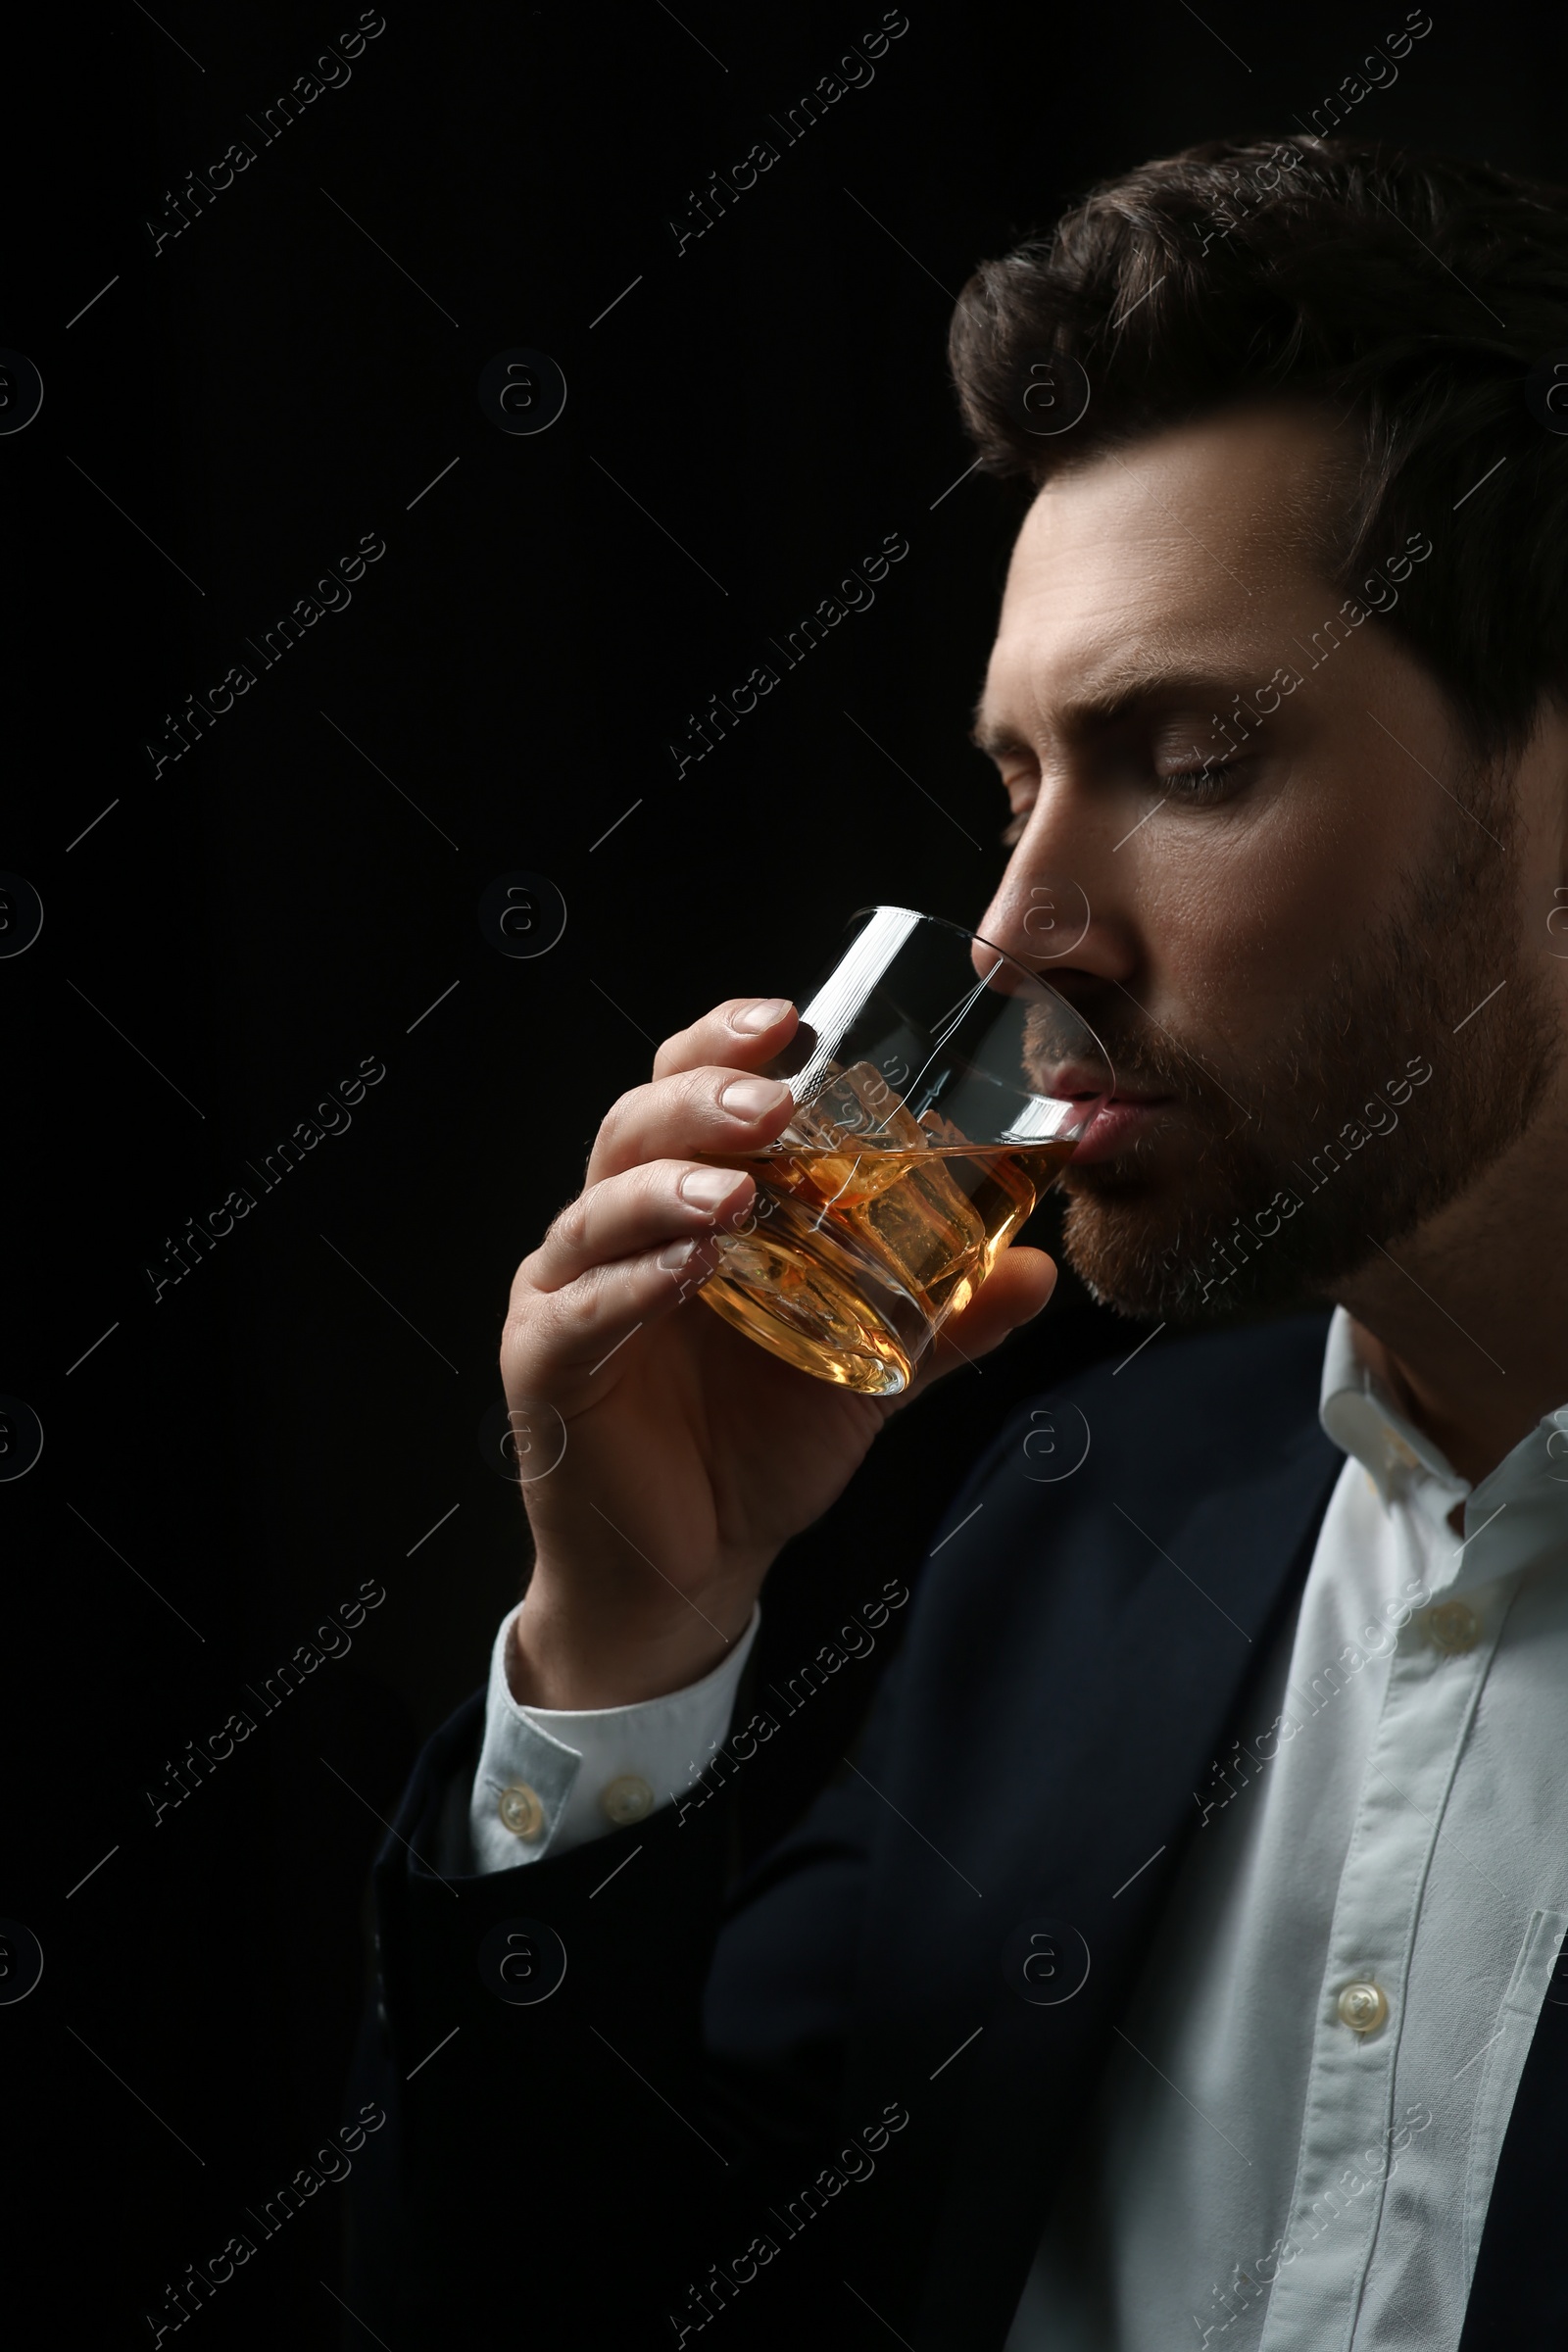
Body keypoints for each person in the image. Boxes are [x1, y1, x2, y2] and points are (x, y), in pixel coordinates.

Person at [344, 131, 1568, 2349]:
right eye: (1015, 782)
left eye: (1186, 755)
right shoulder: (1073, 1533)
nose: (1017, 927)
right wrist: (627, 1640)